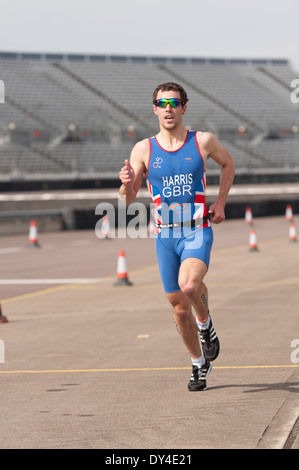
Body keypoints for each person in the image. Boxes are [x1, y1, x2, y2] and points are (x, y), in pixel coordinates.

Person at [119, 82, 235, 391]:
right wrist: (126, 184)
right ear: (155, 109)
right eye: (162, 103)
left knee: (190, 284)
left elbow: (228, 164)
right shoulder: (143, 149)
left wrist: (220, 202)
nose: (168, 108)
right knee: (179, 309)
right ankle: (198, 364)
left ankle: (206, 323)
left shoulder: (203, 141)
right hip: (165, 236)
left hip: (196, 229)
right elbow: (127, 199)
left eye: (174, 102)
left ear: (184, 108)